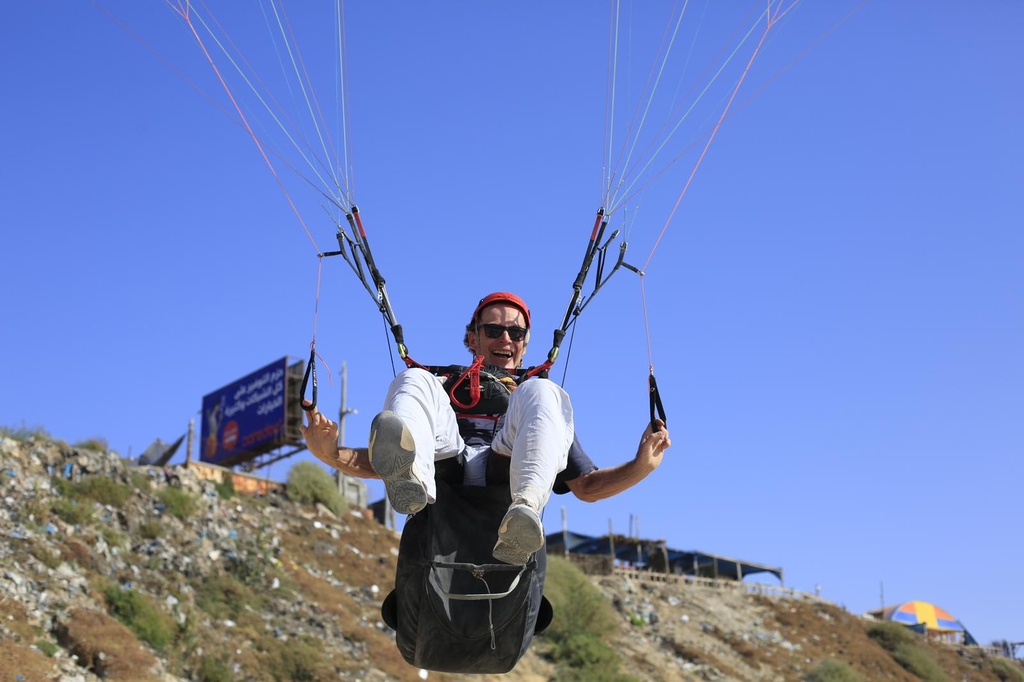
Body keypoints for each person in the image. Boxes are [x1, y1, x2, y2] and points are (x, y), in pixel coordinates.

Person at [301, 291, 670, 565]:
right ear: (473, 338)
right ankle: (410, 482)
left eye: (516, 333)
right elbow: (387, 451)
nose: (505, 339)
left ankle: (525, 512)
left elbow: (586, 487)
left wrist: (640, 467)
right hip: (447, 469)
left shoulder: (535, 403)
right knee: (413, 379)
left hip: (505, 476)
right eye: (493, 330)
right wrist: (329, 454)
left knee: (543, 390)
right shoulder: (445, 383)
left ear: (525, 344)